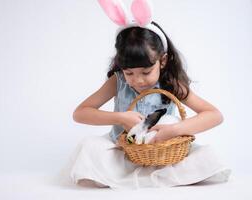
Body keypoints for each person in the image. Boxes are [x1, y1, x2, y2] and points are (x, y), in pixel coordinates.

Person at [61, 0, 231, 189]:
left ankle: (155, 173)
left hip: (164, 155)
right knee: (89, 147)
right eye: (129, 73)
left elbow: (214, 115)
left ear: (163, 61)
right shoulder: (118, 81)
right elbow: (80, 113)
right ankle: (130, 173)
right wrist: (119, 118)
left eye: (146, 72)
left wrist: (175, 130)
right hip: (123, 153)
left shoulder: (171, 84)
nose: (138, 80)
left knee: (206, 156)